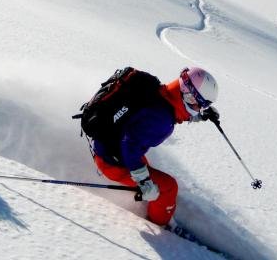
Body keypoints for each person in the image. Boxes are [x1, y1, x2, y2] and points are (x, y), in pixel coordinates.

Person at [91, 67, 220, 227]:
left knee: (148, 173)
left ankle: (148, 193)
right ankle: (160, 225)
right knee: (169, 188)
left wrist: (200, 115)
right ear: (189, 96)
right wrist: (143, 181)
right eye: (200, 105)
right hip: (112, 161)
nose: (199, 109)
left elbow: (171, 109)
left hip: (110, 144)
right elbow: (130, 145)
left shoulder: (160, 94)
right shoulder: (162, 121)